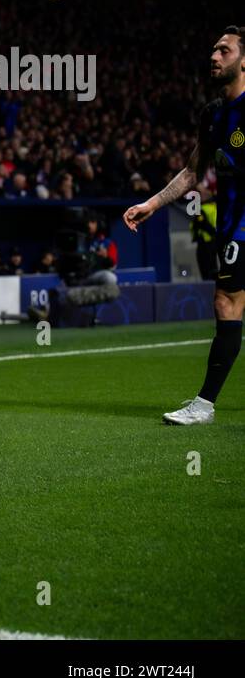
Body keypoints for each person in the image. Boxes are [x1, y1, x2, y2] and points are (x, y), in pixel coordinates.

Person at [125, 25, 245, 425]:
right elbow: (193, 171)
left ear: (244, 61)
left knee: (227, 301)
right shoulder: (212, 115)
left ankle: (205, 404)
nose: (214, 56)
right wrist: (152, 203)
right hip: (231, 226)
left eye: (224, 50)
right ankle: (205, 405)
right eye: (213, 49)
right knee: (226, 303)